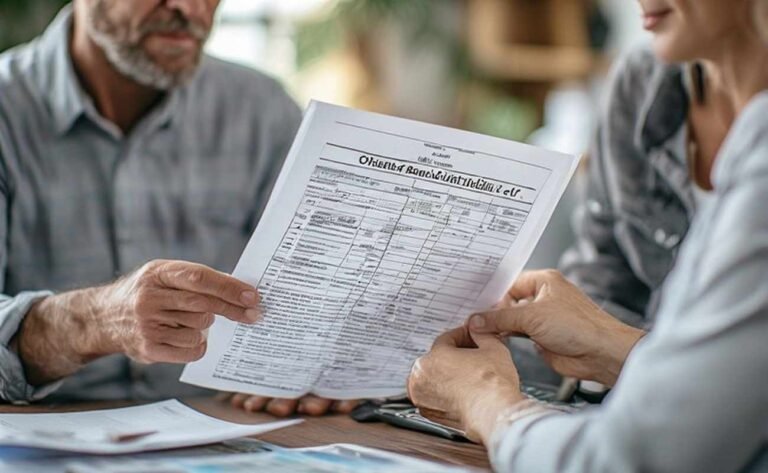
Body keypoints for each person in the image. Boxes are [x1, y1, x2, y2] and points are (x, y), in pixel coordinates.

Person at [408, 0, 768, 471]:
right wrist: (612, 345)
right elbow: (731, 385)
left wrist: (486, 403)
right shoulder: (648, 84)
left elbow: (632, 459)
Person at [0, 0, 354, 417]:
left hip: (232, 426)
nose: (189, 8)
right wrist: (93, 322)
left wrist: (318, 371)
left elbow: (324, 297)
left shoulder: (262, 111)